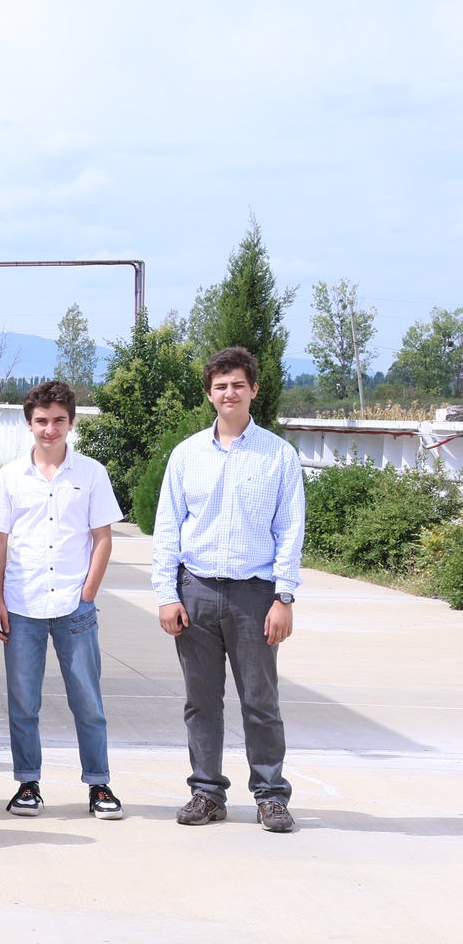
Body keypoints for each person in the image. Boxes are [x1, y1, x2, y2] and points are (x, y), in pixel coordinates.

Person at [152, 346, 306, 835]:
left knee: (260, 701)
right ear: (209, 394)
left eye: (238, 384)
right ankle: (207, 792)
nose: (229, 393)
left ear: (253, 389)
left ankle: (270, 796)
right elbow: (167, 527)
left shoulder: (278, 455)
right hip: (195, 590)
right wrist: (167, 594)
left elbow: (290, 530)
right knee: (201, 701)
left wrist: (284, 597)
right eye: (220, 386)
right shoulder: (186, 455)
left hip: (255, 595)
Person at [0, 380, 125, 819]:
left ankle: (99, 785)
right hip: (21, 606)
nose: (50, 429)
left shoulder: (91, 474)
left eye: (59, 420)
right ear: (28, 423)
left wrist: (88, 593)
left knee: (88, 702)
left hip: (73, 607)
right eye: (41, 420)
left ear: (72, 422)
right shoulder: (9, 477)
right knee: (23, 703)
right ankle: (28, 784)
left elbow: (102, 538)